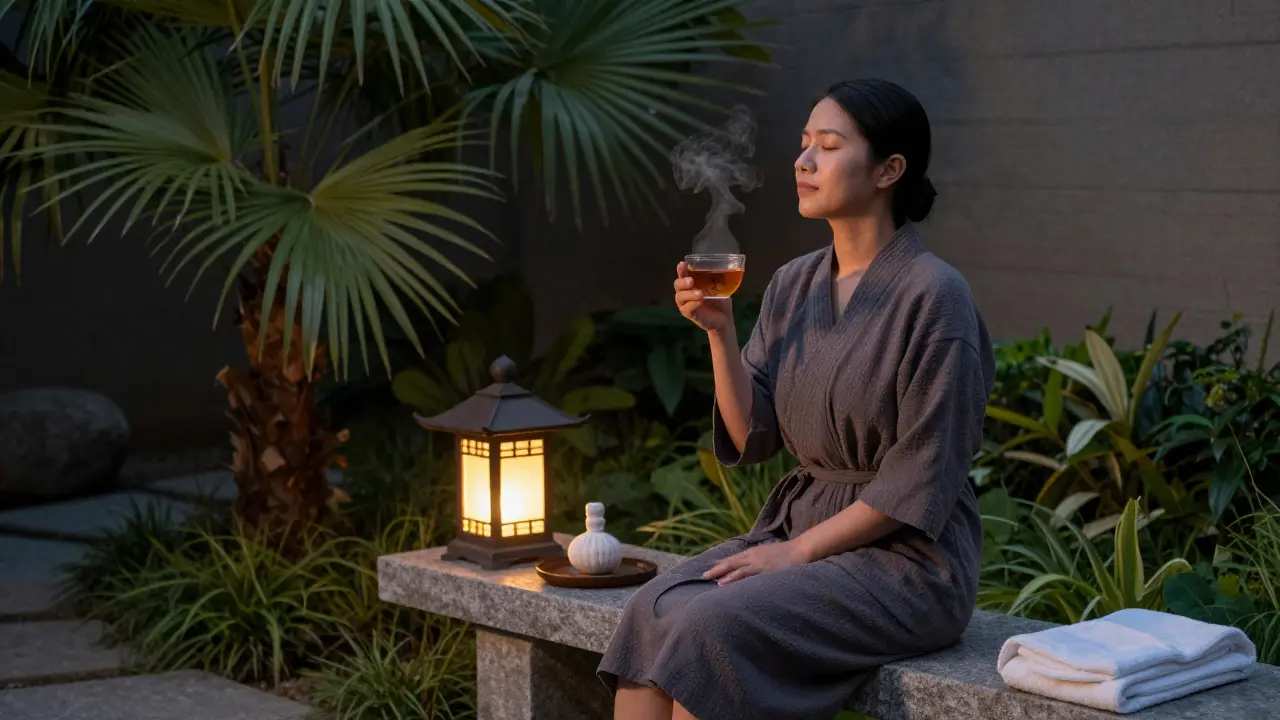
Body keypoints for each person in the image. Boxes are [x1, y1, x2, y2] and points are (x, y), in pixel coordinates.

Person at [596, 78, 996, 720]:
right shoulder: (793, 283)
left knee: (710, 629)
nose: (803, 162)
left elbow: (925, 476)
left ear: (889, 170)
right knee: (655, 609)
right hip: (804, 528)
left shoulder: (934, 296)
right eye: (804, 143)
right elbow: (753, 432)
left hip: (908, 562)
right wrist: (720, 335)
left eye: (829, 146)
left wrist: (794, 552)